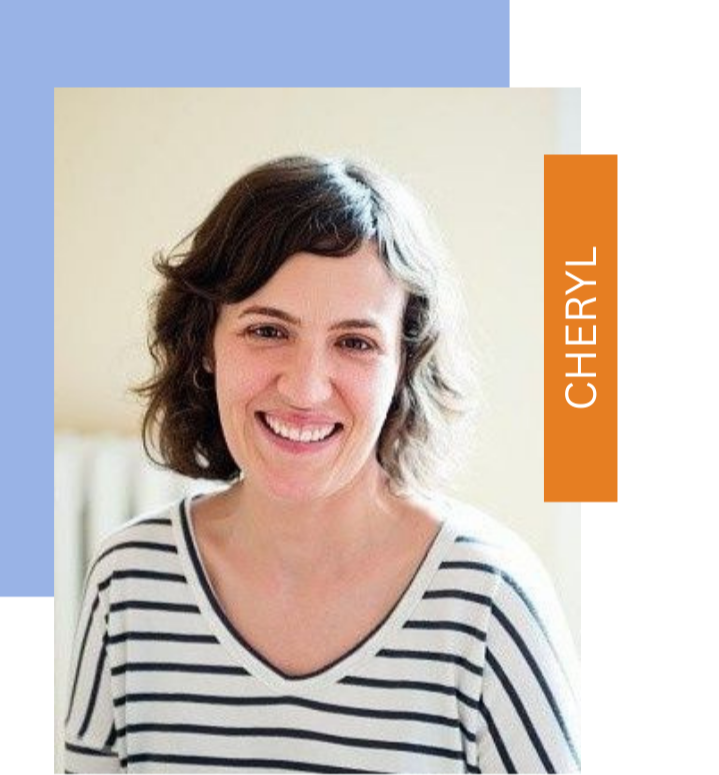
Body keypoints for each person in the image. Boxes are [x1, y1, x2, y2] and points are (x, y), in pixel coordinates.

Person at [63, 156, 582, 774]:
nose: (306, 388)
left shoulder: (489, 599)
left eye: (355, 342)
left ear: (403, 368)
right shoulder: (128, 581)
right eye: (267, 331)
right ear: (205, 343)